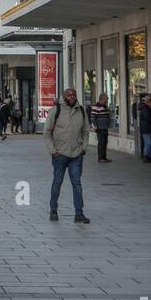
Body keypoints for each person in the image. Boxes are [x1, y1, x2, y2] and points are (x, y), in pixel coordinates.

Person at [44, 87, 90, 223]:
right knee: (57, 182)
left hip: (76, 154)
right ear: (64, 97)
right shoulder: (56, 110)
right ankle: (53, 210)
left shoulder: (81, 110)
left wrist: (84, 148)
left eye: (74, 94)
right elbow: (47, 133)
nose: (72, 97)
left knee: (77, 183)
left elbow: (86, 131)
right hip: (60, 154)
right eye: (69, 95)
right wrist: (53, 151)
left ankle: (79, 213)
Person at [89, 93, 112, 163]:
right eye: (106, 98)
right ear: (102, 98)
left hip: (105, 127)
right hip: (100, 128)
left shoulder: (104, 106)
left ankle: (104, 157)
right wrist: (95, 126)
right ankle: (101, 158)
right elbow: (93, 117)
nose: (107, 99)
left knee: (105, 142)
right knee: (101, 143)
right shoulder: (96, 106)